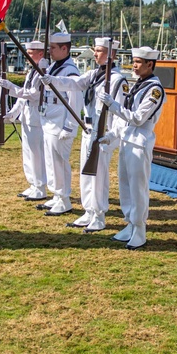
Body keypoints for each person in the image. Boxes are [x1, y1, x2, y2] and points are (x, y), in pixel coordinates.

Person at [41, 37, 127, 232]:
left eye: (99, 51)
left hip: (104, 134)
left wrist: (112, 136)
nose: (95, 54)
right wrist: (52, 80)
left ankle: (99, 214)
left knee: (98, 176)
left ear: (111, 54)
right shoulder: (94, 74)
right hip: (89, 130)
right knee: (86, 173)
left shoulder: (116, 80)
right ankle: (89, 209)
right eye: (95, 50)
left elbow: (121, 113)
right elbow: (75, 83)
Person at [99, 46, 165, 250]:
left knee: (138, 188)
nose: (134, 66)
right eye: (133, 61)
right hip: (128, 139)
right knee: (125, 187)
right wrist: (112, 135)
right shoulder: (139, 85)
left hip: (140, 142)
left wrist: (113, 106)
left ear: (150, 64)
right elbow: (127, 119)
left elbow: (137, 118)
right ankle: (129, 223)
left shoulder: (154, 89)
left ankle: (140, 229)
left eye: (138, 62)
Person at [0, 40, 49, 202]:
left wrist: (12, 87)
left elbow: (33, 94)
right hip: (27, 117)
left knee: (36, 155)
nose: (27, 56)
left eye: (31, 53)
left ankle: (40, 187)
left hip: (37, 118)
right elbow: (22, 98)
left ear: (40, 54)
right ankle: (33, 184)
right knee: (27, 153)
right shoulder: (31, 72)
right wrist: (13, 113)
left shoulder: (43, 72)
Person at [37, 31, 82, 216]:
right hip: (49, 120)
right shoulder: (55, 67)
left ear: (65, 48)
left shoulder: (70, 70)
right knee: (50, 161)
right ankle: (56, 195)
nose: (50, 51)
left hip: (60, 122)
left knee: (59, 162)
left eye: (53, 48)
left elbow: (75, 101)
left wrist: (70, 126)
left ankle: (64, 199)